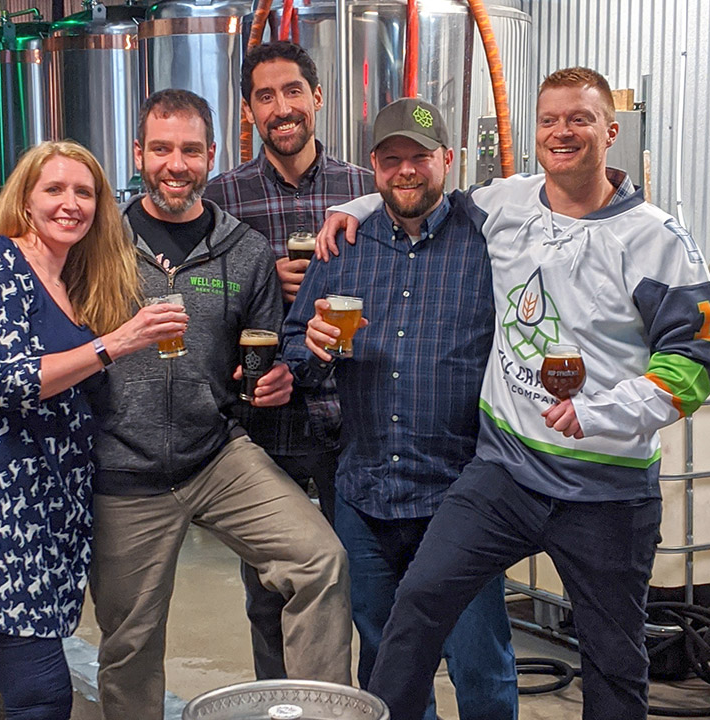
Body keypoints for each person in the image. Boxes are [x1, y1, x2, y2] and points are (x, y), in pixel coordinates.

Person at [0, 92, 352, 720]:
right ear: (139, 155)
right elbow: (19, 321)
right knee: (130, 647)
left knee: (319, 560)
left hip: (217, 454)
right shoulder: (93, 244)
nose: (174, 164)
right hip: (119, 467)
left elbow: (267, 350)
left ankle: (320, 714)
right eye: (160, 149)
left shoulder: (246, 250)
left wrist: (278, 376)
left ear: (212, 156)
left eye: (189, 150)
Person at [322, 68, 710, 720]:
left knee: (613, 662)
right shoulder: (507, 202)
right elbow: (425, 194)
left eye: (580, 119)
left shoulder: (658, 240)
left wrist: (602, 412)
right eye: (550, 120)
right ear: (535, 132)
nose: (562, 131)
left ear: (610, 131)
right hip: (504, 472)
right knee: (418, 604)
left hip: (608, 490)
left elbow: (695, 364)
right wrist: (356, 205)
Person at [0, 140, 187, 720]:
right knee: (43, 694)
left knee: (17, 688)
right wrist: (118, 341)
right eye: (55, 189)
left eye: (85, 192)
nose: (71, 203)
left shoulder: (73, 284)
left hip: (50, 517)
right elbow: (15, 380)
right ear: (24, 200)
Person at [282, 98, 518, 720]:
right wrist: (309, 349)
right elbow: (292, 348)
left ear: (448, 159)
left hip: (461, 496)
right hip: (365, 492)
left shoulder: (488, 238)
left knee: (480, 665)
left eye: (420, 158)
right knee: (388, 665)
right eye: (392, 161)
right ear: (373, 167)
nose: (406, 171)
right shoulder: (344, 248)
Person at [202, 40, 373, 681]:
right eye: (266, 97)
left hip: (348, 413)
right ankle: (280, 699)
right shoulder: (221, 197)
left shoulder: (364, 187)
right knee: (269, 592)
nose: (282, 108)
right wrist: (261, 284)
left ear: (317, 97)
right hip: (263, 419)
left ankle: (357, 701)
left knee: (362, 581)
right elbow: (202, 309)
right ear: (249, 112)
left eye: (293, 91)